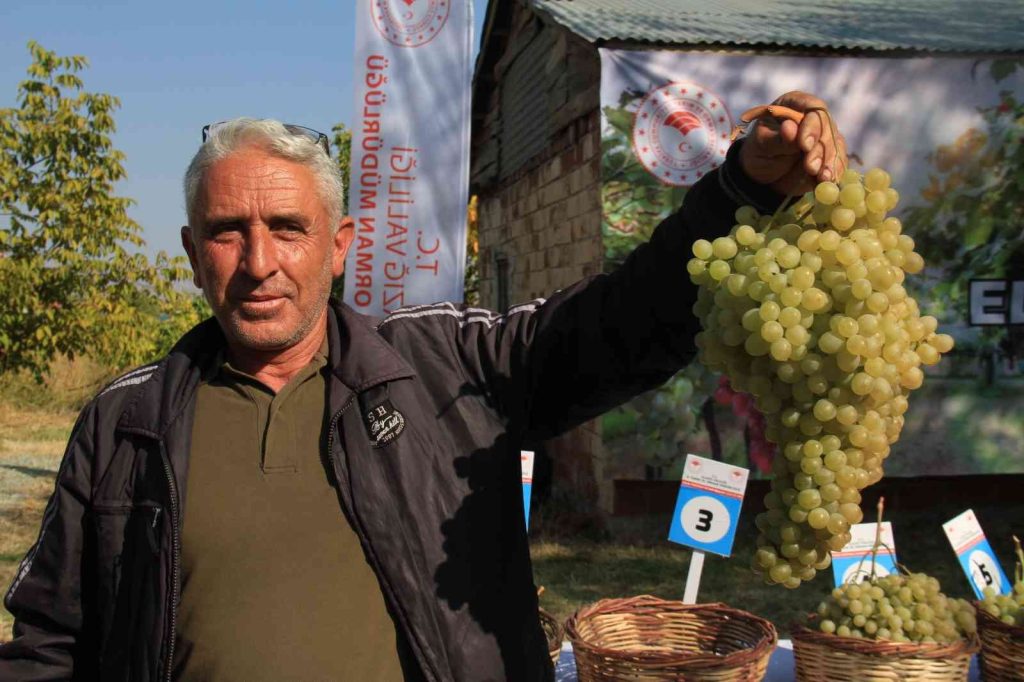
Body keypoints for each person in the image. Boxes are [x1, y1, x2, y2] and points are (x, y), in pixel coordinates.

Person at [0, 93, 845, 681]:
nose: (259, 263)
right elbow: (48, 644)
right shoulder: (126, 421)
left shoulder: (446, 368)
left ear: (339, 245)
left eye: (288, 229)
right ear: (192, 252)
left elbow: (617, 323)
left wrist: (738, 189)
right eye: (228, 232)